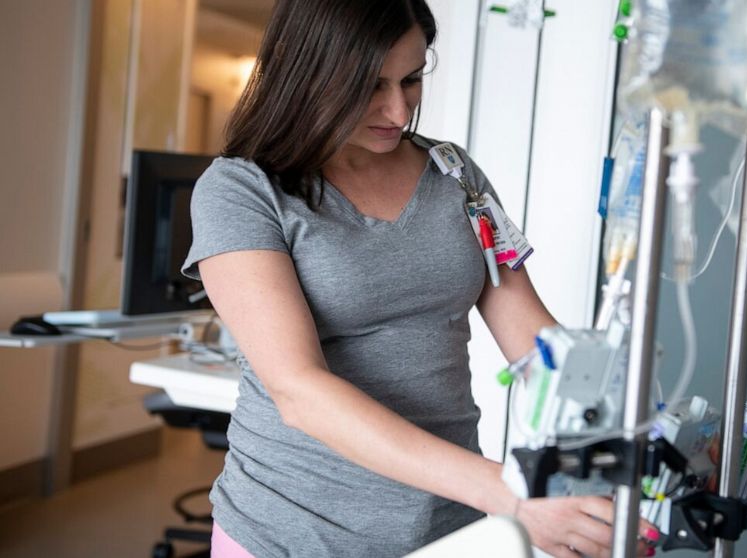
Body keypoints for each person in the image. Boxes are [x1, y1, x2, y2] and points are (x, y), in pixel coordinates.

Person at [182, 1, 658, 556]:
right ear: (308, 76)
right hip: (294, 533)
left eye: (411, 79)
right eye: (369, 86)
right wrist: (512, 493)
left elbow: (536, 344)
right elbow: (299, 391)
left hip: (449, 528)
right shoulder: (240, 191)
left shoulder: (454, 174)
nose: (397, 108)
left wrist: (645, 429)